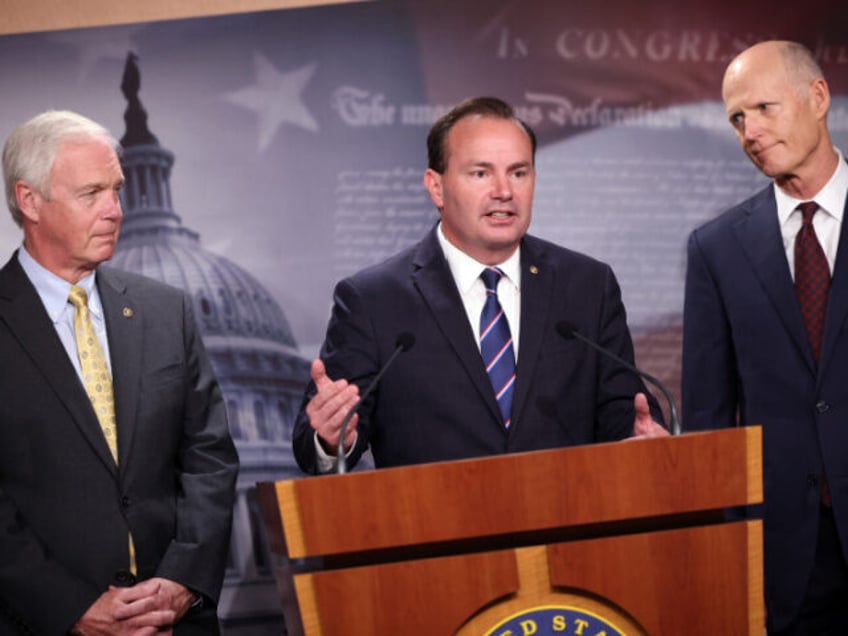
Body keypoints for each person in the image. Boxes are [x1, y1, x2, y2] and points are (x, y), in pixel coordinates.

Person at [293, 96, 667, 475]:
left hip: (567, 522)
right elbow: (317, 448)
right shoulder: (374, 301)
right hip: (434, 525)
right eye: (481, 173)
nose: (504, 191)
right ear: (436, 187)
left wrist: (643, 438)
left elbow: (624, 414)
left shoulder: (587, 287)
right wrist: (328, 437)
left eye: (518, 172)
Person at [0, 110, 239, 634]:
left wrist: (181, 582)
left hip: (176, 620)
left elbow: (209, 457)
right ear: (29, 200)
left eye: (117, 190)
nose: (115, 210)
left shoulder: (165, 310)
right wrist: (71, 609)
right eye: (91, 194)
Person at [683, 41, 848, 634]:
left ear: (819, 97)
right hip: (785, 560)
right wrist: (726, 546)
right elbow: (707, 418)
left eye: (763, 108)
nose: (749, 131)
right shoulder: (716, 248)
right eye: (736, 119)